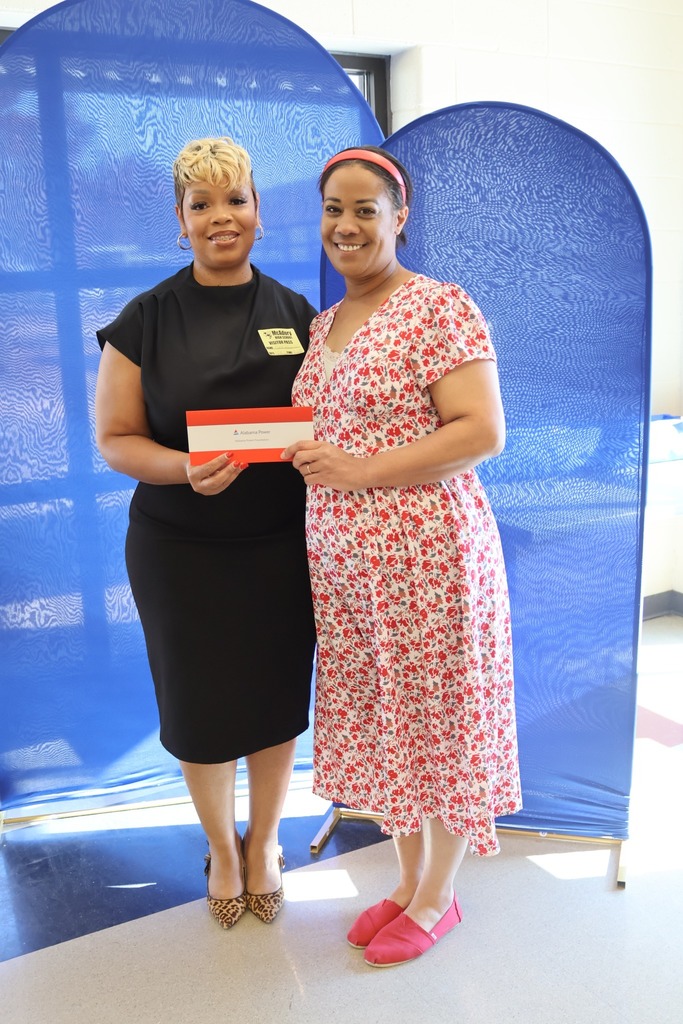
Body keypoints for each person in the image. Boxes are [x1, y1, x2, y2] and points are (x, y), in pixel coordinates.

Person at [283, 146, 522, 967]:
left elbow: (480, 431)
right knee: (388, 721)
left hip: (428, 560)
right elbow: (323, 433)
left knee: (440, 718)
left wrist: (357, 471)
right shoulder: (324, 325)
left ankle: (438, 897)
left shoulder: (438, 307)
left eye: (363, 210)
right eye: (331, 210)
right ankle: (405, 878)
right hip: (350, 571)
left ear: (398, 218)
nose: (345, 227)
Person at [95, 136, 317, 929]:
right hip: (179, 549)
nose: (220, 218)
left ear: (258, 213)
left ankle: (266, 843)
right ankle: (223, 846)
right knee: (198, 707)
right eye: (201, 205)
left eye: (235, 200)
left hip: (280, 547)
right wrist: (183, 465)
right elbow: (117, 439)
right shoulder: (145, 320)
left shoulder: (299, 316)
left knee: (274, 697)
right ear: (179, 223)